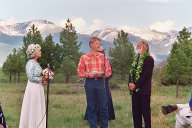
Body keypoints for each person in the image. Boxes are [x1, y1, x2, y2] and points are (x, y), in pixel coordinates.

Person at [77, 37, 112, 128]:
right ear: (91, 44)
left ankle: (104, 126)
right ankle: (93, 126)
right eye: (97, 43)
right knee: (91, 106)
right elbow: (79, 72)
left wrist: (102, 74)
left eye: (99, 43)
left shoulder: (103, 57)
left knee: (103, 107)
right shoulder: (84, 57)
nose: (99, 45)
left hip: (101, 83)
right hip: (89, 83)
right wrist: (88, 75)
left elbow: (109, 71)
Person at [84, 46, 115, 122]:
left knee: (104, 101)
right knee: (93, 100)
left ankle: (105, 118)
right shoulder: (91, 61)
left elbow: (110, 74)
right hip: (93, 83)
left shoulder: (106, 61)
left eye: (101, 52)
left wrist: (102, 74)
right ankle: (93, 118)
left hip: (104, 83)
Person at [19, 44, 47, 128]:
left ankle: (38, 124)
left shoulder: (36, 63)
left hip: (38, 87)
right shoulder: (30, 63)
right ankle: (31, 125)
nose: (40, 52)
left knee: (38, 105)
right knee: (33, 105)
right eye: (39, 51)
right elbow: (30, 77)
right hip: (33, 87)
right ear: (34, 53)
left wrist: (43, 79)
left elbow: (38, 75)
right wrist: (41, 79)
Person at [128, 40, 154, 128]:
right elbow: (131, 73)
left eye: (138, 46)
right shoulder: (136, 59)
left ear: (144, 48)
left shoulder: (149, 59)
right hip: (134, 92)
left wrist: (135, 85)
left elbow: (145, 75)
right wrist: (130, 83)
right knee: (136, 114)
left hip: (144, 91)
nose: (136, 47)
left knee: (146, 114)